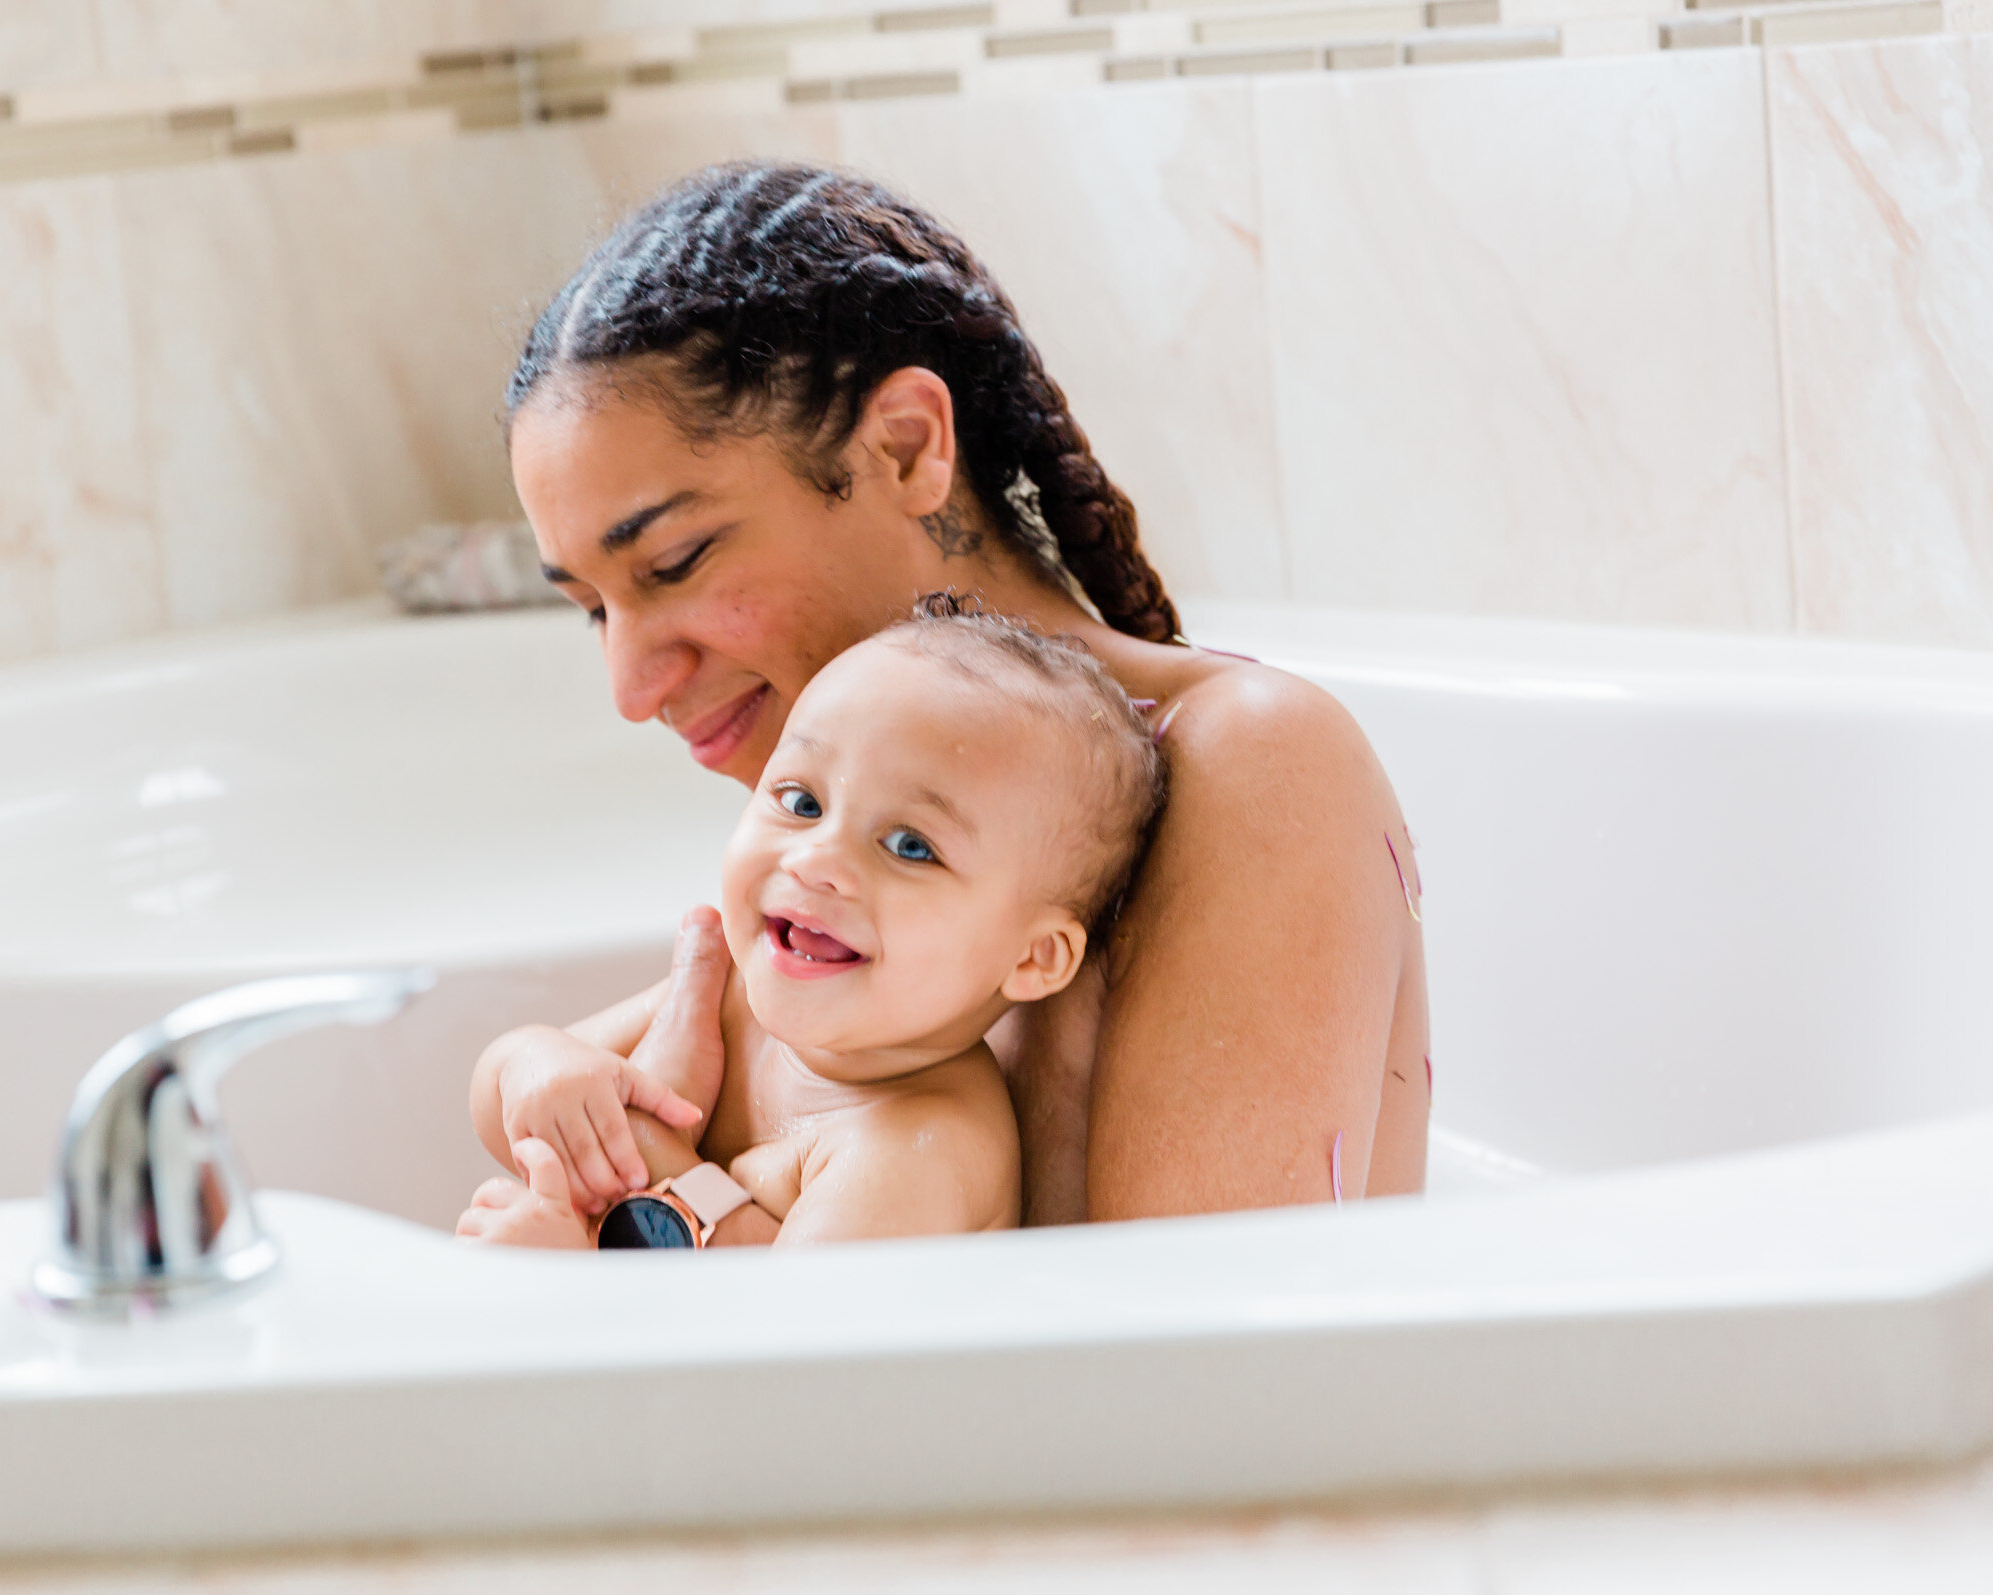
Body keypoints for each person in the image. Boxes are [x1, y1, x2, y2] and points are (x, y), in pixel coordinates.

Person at [493, 162, 1430, 1228]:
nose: (631, 686)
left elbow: (1201, 1366)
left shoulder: (1248, 759)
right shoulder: (844, 835)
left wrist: (677, 1203)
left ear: (905, 447)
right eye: (594, 608)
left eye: (677, 562)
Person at [459, 605, 1164, 1248]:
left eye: (910, 846)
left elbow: (787, 1361)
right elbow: (503, 1107)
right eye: (800, 800)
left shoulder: (916, 1144)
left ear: (1034, 956)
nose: (817, 858)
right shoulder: (735, 995)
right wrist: (537, 1067)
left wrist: (580, 1263)